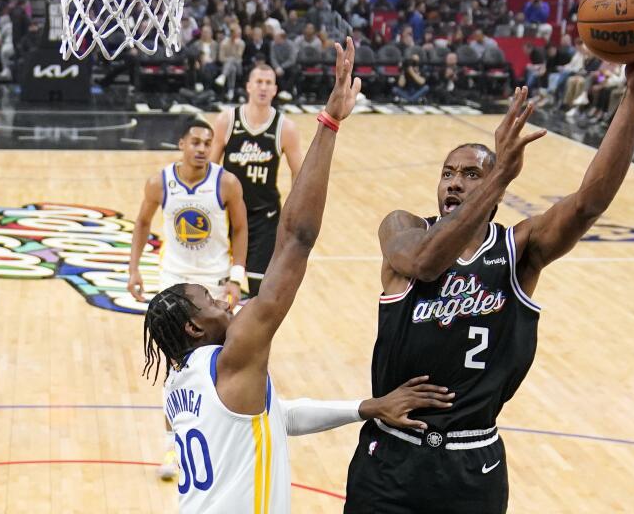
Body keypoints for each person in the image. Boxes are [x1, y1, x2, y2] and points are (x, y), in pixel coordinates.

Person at [344, 5, 634, 514]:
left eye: (472, 174)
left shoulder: (519, 248)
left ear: (493, 189)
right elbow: (426, 266)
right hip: (390, 460)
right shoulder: (403, 229)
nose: (455, 181)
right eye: (448, 172)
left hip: (472, 464)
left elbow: (590, 201)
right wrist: (500, 173)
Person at [143, 39, 455, 513]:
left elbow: (277, 417)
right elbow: (297, 240)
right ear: (193, 327)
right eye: (209, 300)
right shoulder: (234, 357)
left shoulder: (179, 386)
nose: (224, 301)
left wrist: (366, 407)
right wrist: (329, 123)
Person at [127, 116, 248, 480]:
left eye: (207, 143)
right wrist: (134, 269)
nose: (201, 148)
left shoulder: (226, 183)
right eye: (195, 141)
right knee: (176, 369)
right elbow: (142, 223)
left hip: (213, 284)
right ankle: (172, 444)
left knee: (226, 363)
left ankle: (222, 437)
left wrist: (236, 277)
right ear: (181, 144)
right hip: (175, 282)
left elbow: (241, 228)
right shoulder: (159, 182)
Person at [210, 63, 303, 296]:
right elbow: (210, 169)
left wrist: (294, 212)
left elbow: (299, 174)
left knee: (260, 289)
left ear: (275, 89)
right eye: (259, 82)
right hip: (228, 213)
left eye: (268, 83)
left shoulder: (285, 127)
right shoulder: (227, 121)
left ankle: (253, 333)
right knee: (219, 284)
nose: (263, 87)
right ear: (248, 86)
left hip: (265, 216)